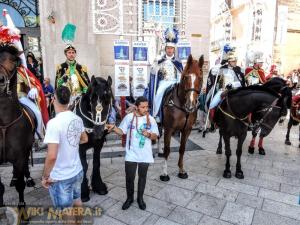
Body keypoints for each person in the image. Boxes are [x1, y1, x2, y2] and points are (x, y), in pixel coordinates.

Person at [42, 86, 88, 224]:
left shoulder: (53, 123)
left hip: (61, 176)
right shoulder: (77, 118)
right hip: (77, 170)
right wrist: (72, 141)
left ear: (54, 99)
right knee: (77, 200)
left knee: (66, 211)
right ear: (68, 100)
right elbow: (85, 139)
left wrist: (45, 176)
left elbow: (52, 156)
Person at [106, 96, 159, 211]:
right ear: (136, 107)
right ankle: (129, 198)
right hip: (131, 154)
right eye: (143, 107)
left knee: (142, 177)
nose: (146, 109)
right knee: (129, 178)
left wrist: (149, 135)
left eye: (147, 107)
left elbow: (156, 135)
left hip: (145, 154)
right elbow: (122, 131)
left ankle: (140, 199)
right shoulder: (129, 118)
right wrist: (114, 128)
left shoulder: (151, 119)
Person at [144, 28, 183, 122]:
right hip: (164, 82)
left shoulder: (178, 62)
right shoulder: (159, 60)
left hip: (175, 81)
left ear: (174, 49)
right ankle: (156, 114)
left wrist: (179, 81)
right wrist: (155, 65)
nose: (170, 50)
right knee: (158, 94)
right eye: (168, 48)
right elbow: (153, 73)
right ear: (165, 49)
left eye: (171, 48)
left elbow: (180, 74)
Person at [208, 48, 245, 118]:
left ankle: (248, 122)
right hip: (223, 90)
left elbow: (241, 82)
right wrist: (220, 64)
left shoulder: (238, 69)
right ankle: (213, 123)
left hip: (236, 90)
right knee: (212, 104)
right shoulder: (222, 68)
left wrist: (232, 84)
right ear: (229, 62)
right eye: (233, 61)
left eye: (235, 61)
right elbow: (213, 72)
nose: (235, 62)